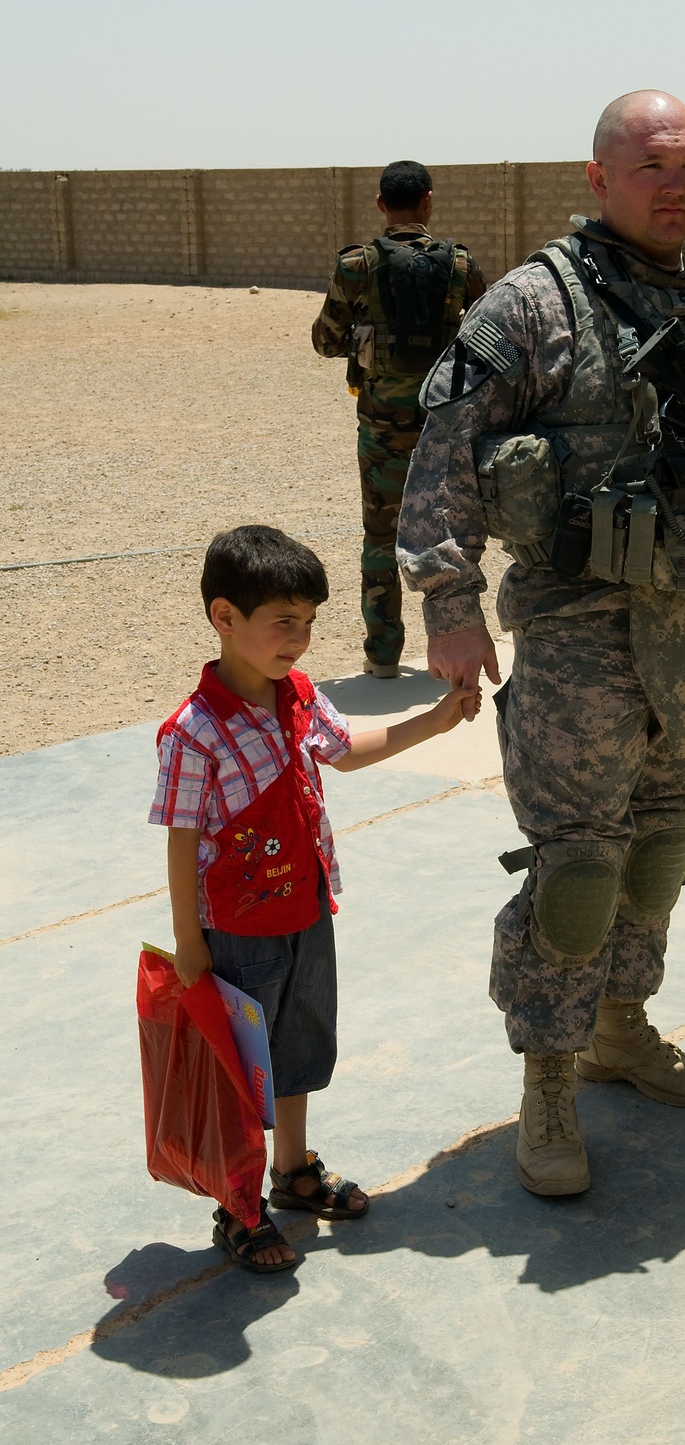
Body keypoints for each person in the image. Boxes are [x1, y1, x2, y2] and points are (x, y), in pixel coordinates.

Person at [397, 90, 685, 1197]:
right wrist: (446, 603)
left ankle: (622, 1027)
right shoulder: (536, 303)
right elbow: (446, 451)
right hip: (579, 630)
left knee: (662, 842)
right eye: (652, 165)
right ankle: (548, 1079)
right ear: (599, 178)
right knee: (578, 865)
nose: (675, 185)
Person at [149, 524, 478, 1270]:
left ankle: (292, 1171)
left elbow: (345, 752)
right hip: (235, 930)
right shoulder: (194, 732)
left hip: (306, 912)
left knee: (297, 1052)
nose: (299, 640)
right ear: (225, 618)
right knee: (241, 1073)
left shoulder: (298, 699)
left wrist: (431, 720)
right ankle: (238, 1206)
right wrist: (189, 941)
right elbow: (179, 837)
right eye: (283, 623)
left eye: (308, 622)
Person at [312, 161, 487, 678]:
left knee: (380, 537)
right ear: (428, 202)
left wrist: (364, 339)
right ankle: (451, 646)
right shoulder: (459, 265)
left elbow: (324, 340)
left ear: (381, 204)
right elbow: (485, 337)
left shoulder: (356, 265)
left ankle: (383, 655)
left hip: (383, 428)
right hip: (444, 425)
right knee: (449, 532)